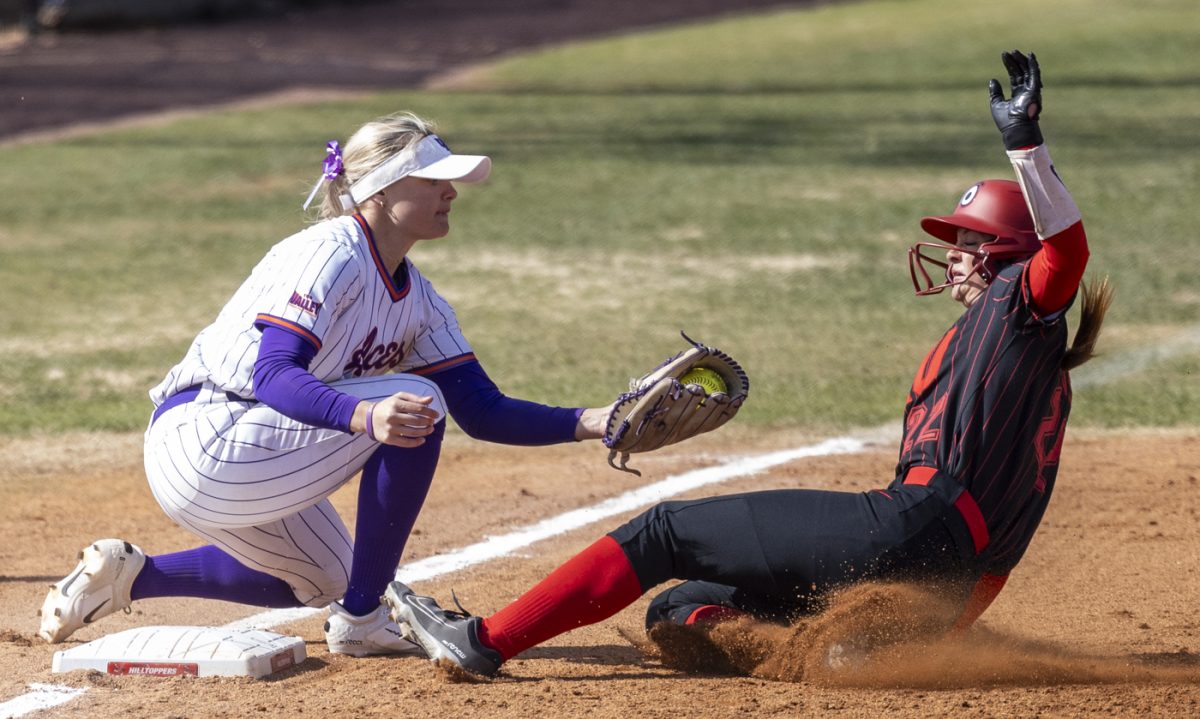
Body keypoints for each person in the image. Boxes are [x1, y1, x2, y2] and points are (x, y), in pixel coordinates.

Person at [384, 50, 1114, 678]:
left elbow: (1067, 253)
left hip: (910, 525)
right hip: (950, 574)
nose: (954, 253)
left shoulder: (1021, 308)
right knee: (679, 605)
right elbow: (1000, 549)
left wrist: (1026, 143)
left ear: (1009, 254)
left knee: (662, 531)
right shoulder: (1024, 362)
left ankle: (480, 642)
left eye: (969, 240)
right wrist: (942, 623)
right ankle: (830, 652)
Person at [38, 112, 615, 656]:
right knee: (418, 406)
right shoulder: (329, 253)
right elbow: (272, 373)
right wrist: (366, 418)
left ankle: (131, 578)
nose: (451, 193)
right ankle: (363, 622)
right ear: (381, 191)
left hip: (254, 450)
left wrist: (598, 421)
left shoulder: (422, 300)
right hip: (205, 436)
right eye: (434, 180)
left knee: (324, 578)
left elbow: (483, 411)